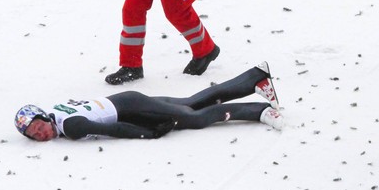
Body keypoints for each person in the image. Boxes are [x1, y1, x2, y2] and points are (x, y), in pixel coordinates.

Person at [15, 63, 282, 141]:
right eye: (34, 135)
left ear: (43, 117)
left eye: (38, 127)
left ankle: (259, 111)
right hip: (127, 103)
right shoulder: (56, 113)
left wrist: (148, 133)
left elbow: (112, 129)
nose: (41, 134)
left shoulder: (70, 127)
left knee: (194, 118)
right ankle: (255, 78)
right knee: (191, 104)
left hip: (130, 108)